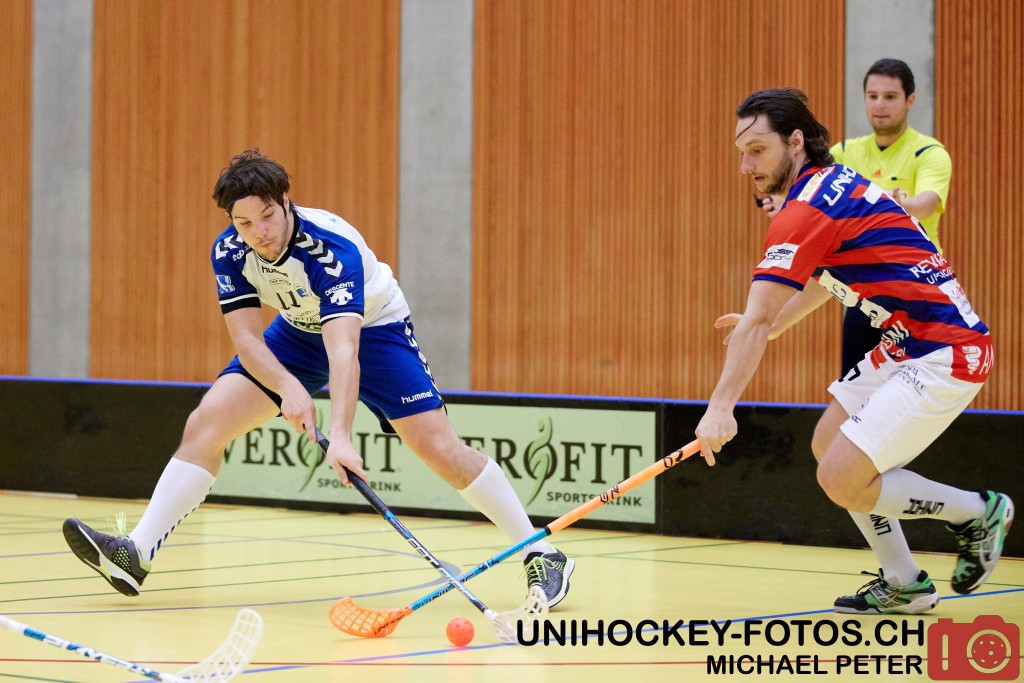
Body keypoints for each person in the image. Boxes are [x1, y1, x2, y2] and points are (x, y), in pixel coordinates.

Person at [62, 148, 573, 607]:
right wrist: (289, 387)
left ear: (287, 202)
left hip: (374, 330)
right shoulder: (230, 252)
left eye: (267, 215)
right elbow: (247, 340)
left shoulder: (330, 249)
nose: (260, 232)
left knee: (440, 450)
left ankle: (542, 553)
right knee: (206, 423)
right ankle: (136, 555)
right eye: (245, 223)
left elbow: (344, 350)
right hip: (297, 331)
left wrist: (341, 437)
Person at [700, 89, 1012, 615]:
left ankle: (976, 512)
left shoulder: (806, 207)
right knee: (829, 446)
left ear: (794, 142)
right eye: (741, 152)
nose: (745, 166)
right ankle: (904, 581)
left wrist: (720, 408)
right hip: (904, 342)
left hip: (945, 351)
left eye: (756, 150)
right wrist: (773, 326)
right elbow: (825, 279)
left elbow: (756, 316)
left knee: (841, 478)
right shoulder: (833, 183)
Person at [757, 59, 952, 377]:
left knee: (914, 389)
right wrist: (786, 204)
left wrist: (900, 204)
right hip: (863, 292)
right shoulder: (845, 152)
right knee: (851, 391)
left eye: (890, 97)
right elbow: (808, 193)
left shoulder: (928, 152)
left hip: (917, 289)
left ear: (910, 100)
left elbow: (928, 203)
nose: (880, 105)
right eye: (872, 96)